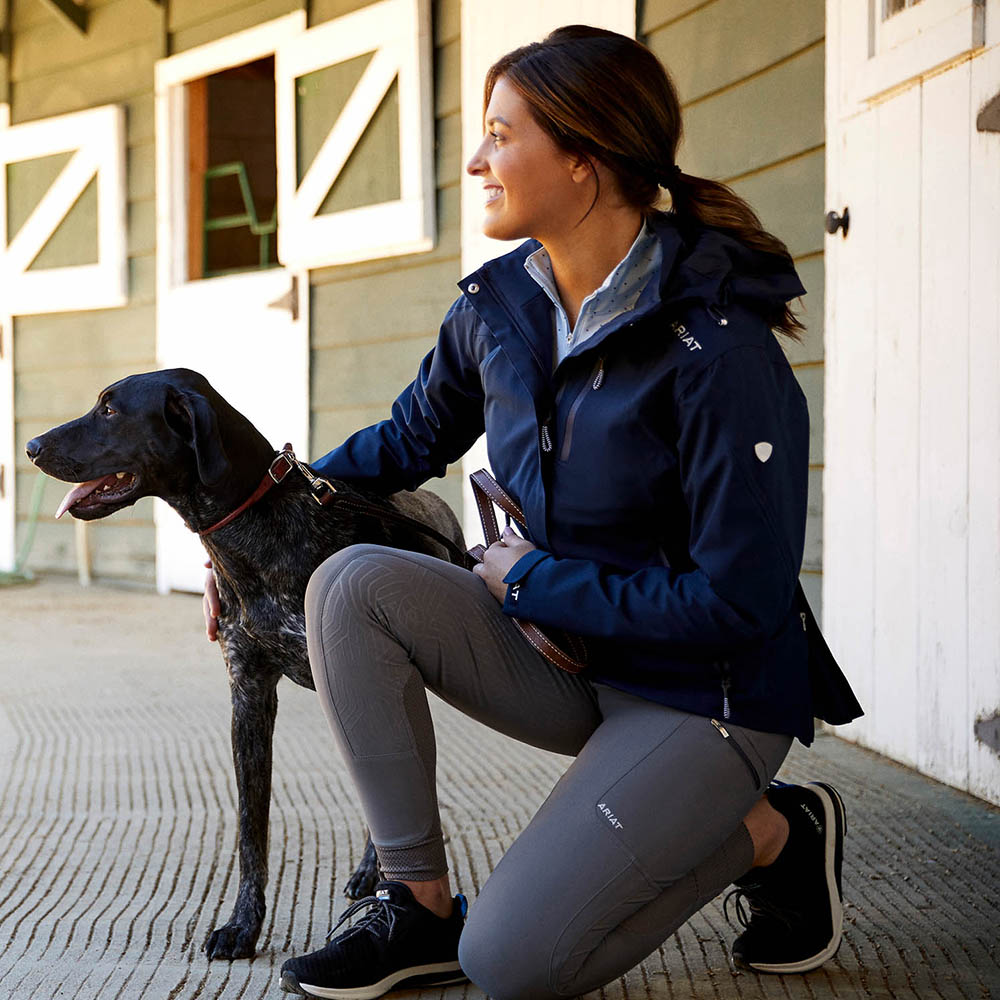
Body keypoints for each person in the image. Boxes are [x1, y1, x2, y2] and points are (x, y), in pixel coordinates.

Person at [204, 25, 862, 1000]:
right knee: (348, 582)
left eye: (500, 134)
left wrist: (535, 578)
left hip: (703, 693)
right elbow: (402, 444)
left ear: (583, 162)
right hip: (563, 650)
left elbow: (740, 603)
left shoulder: (721, 351)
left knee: (513, 962)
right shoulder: (501, 308)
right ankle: (415, 902)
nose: (476, 159)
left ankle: (771, 830)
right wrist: (241, 546)